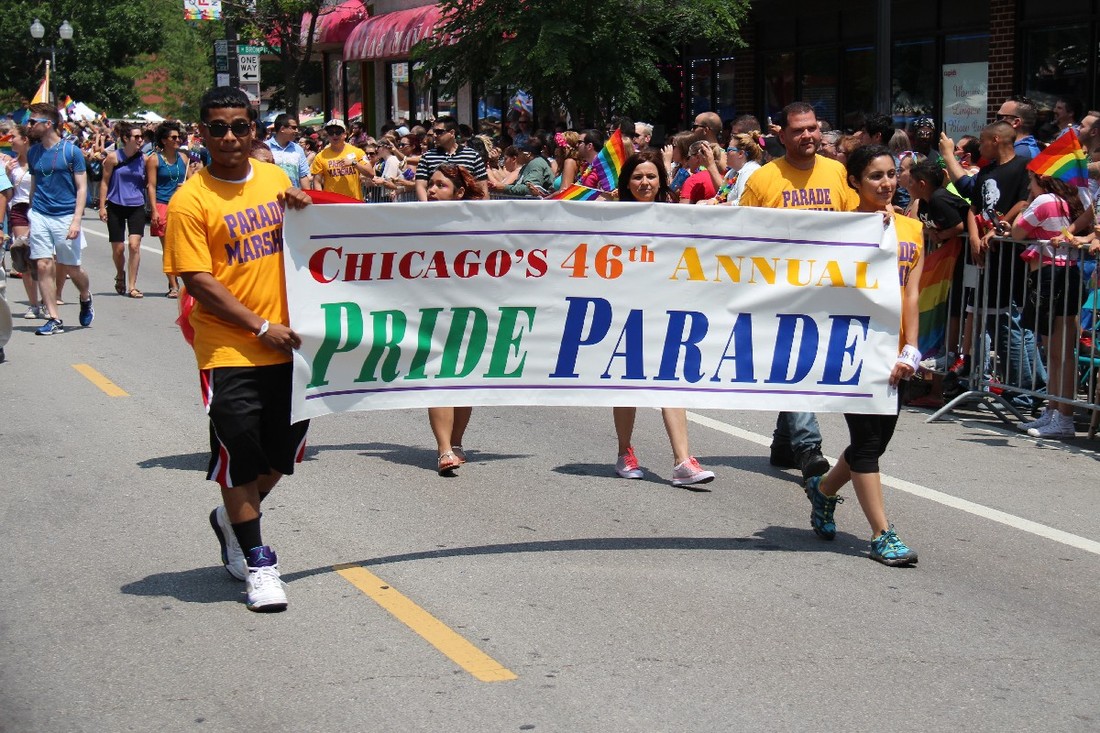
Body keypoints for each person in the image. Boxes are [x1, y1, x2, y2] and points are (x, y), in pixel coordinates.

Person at [163, 87, 313, 613]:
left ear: (255, 129)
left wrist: (303, 207)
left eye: (239, 126)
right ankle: (259, 562)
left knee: (279, 458)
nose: (229, 137)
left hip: (292, 346)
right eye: (217, 128)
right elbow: (197, 279)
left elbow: (310, 244)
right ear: (201, 133)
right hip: (230, 348)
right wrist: (257, 326)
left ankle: (230, 520)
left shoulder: (275, 178)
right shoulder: (191, 199)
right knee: (239, 459)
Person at [800, 144, 922, 566]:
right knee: (867, 443)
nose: (886, 183)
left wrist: (912, 347)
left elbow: (911, 291)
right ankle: (882, 534)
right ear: (854, 181)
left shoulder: (912, 229)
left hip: (896, 354)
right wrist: (866, 230)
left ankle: (824, 489)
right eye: (875, 175)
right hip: (855, 348)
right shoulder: (841, 228)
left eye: (891, 174)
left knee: (877, 443)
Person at [740, 101, 859, 482]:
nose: (808, 135)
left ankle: (782, 443)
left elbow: (858, 222)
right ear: (782, 135)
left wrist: (882, 218)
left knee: (797, 366)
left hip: (828, 288)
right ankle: (808, 447)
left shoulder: (838, 172)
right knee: (796, 364)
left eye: (813, 128)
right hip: (781, 292)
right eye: (798, 130)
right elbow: (741, 236)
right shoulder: (763, 179)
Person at [611, 149, 715, 488]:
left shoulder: (676, 216)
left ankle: (682, 460)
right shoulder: (608, 217)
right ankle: (624, 451)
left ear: (661, 181)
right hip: (623, 309)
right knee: (627, 384)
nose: (644, 182)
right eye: (638, 176)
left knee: (671, 378)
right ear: (627, 182)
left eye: (651, 176)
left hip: (665, 308)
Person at [1012, 171, 1087, 438]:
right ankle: (1054, 411)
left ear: (1041, 181)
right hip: (1059, 274)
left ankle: (1063, 417)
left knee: (1060, 351)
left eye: (1030, 181)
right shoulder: (1069, 200)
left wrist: (1023, 207)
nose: (1028, 185)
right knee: (1055, 350)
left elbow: (1017, 232)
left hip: (1053, 275)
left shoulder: (1045, 201)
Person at [424, 164, 484, 473]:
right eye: (431, 184)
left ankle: (456, 442)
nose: (432, 190)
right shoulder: (412, 223)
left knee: (463, 378)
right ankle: (444, 448)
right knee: (437, 375)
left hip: (471, 310)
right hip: (430, 312)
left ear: (459, 192)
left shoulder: (482, 225)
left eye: (440, 185)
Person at [25, 102, 94, 335]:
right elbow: (35, 185)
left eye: (33, 121)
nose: (29, 125)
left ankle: (85, 296)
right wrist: (30, 215)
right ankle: (54, 318)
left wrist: (76, 220)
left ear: (48, 124)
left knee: (72, 269)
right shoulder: (33, 152)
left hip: (65, 215)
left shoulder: (70, 151)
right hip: (40, 214)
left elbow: (82, 188)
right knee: (43, 265)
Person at [99, 122, 148, 298]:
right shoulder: (113, 158)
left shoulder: (145, 159)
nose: (140, 140)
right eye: (136, 137)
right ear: (126, 138)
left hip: (136, 206)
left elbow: (150, 183)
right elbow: (104, 182)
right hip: (115, 205)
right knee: (118, 249)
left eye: (141, 137)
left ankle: (132, 285)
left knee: (134, 245)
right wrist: (102, 206)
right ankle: (120, 274)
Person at [146, 121, 191, 298]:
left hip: (181, 205)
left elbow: (192, 181)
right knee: (169, 248)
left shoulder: (184, 158)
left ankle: (186, 283)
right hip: (163, 204)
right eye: (173, 137)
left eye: (179, 137)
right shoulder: (154, 159)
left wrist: (186, 186)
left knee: (183, 246)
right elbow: (151, 185)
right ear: (164, 140)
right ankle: (173, 285)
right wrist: (154, 210)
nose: (177, 139)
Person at [2, 124, 43, 318]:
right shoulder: (11, 164)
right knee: (24, 255)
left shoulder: (40, 160)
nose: (10, 140)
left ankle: (46, 300)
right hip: (19, 209)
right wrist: (7, 174)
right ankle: (33, 304)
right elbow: (7, 195)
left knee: (42, 259)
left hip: (40, 209)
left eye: (14, 137)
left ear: (25, 140)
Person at [415, 116, 488, 201]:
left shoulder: (473, 156)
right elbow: (420, 186)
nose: (434, 135)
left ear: (452, 133)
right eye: (434, 132)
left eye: (439, 132)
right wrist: (428, 208)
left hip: (466, 209)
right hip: (436, 208)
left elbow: (482, 188)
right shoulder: (427, 157)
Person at [310, 119, 371, 201]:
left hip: (354, 203)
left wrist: (354, 163)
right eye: (331, 132)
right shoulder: (320, 156)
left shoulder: (357, 152)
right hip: (332, 204)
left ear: (345, 134)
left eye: (338, 132)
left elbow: (371, 173)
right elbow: (317, 182)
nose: (334, 135)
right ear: (328, 135)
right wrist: (321, 202)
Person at [267, 114, 311, 189]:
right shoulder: (265, 148)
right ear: (282, 129)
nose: (296, 131)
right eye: (293, 128)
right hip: (270, 197)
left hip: (293, 197)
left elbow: (303, 176)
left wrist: (307, 198)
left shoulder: (298, 149)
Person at [997, 96, 1041, 161]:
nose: (995, 122)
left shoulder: (1019, 154)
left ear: (1016, 122)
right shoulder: (1023, 149)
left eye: (1000, 117)